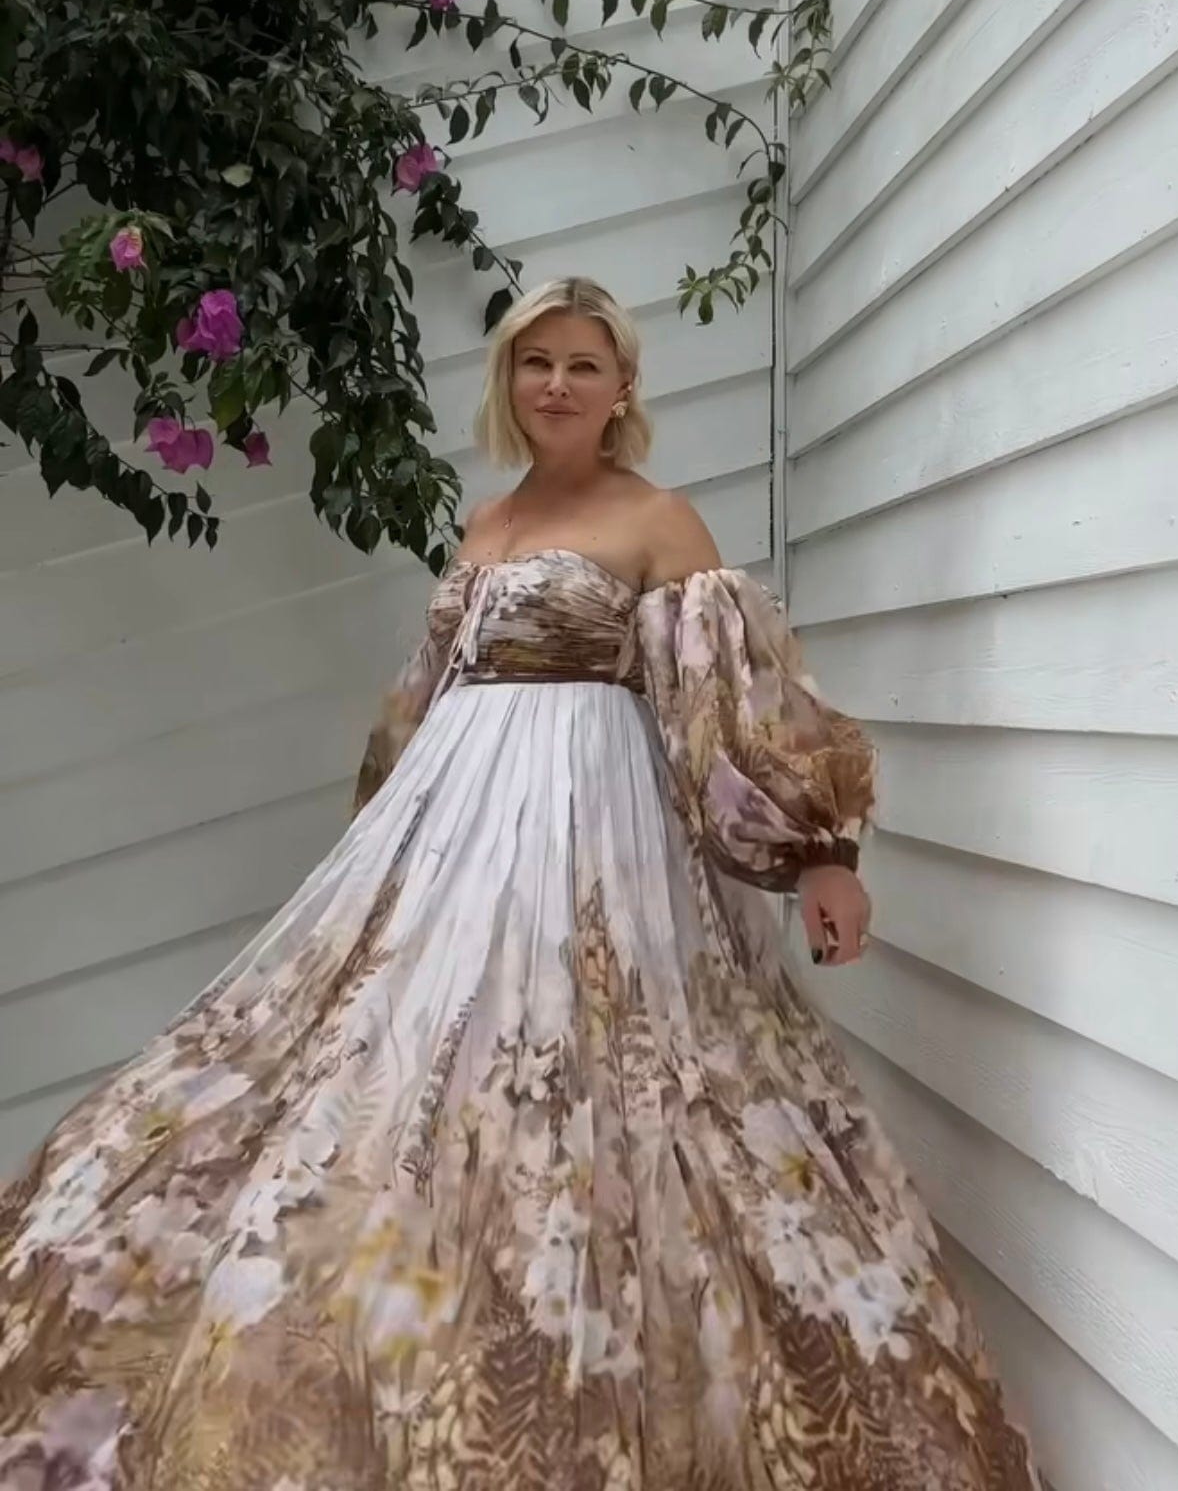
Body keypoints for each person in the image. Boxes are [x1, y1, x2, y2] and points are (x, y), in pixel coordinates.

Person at [0, 277, 1039, 1489]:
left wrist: (821, 852)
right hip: (452, 855)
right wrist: (383, 849)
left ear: (623, 387)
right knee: (407, 1080)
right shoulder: (484, 523)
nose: (556, 382)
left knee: (613, 1078)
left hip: (603, 849)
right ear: (510, 381)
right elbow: (421, 709)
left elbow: (732, 705)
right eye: (534, 361)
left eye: (582, 364)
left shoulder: (660, 524)